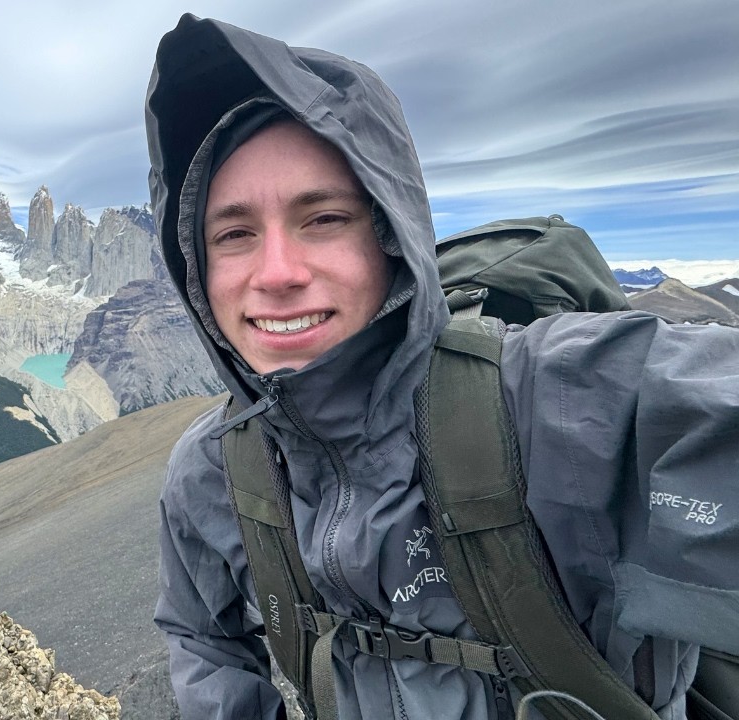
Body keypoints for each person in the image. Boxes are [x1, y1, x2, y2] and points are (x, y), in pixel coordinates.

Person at [145, 14, 739, 720]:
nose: (276, 273)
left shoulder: (564, 394)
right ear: (197, 271)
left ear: (391, 238)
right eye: (234, 234)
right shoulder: (208, 471)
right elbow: (201, 636)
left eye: (324, 218)